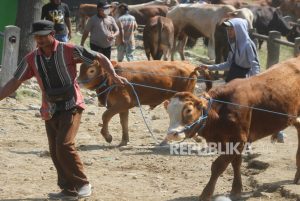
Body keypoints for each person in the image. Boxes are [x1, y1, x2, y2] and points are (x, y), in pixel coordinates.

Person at [0, 20, 127, 199]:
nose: (40, 40)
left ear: (52, 34)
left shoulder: (69, 50)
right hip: (49, 107)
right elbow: (15, 81)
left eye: (43, 36)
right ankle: (69, 189)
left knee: (64, 144)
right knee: (54, 149)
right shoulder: (32, 58)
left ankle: (83, 183)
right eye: (37, 37)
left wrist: (113, 75)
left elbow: (99, 57)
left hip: (71, 104)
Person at [199, 18, 284, 143]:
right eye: (228, 29)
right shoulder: (233, 44)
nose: (229, 32)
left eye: (231, 29)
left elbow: (255, 65)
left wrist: (254, 83)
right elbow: (228, 64)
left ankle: (278, 129)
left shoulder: (248, 45)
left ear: (239, 29)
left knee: (253, 110)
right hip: (234, 78)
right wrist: (210, 67)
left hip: (245, 79)